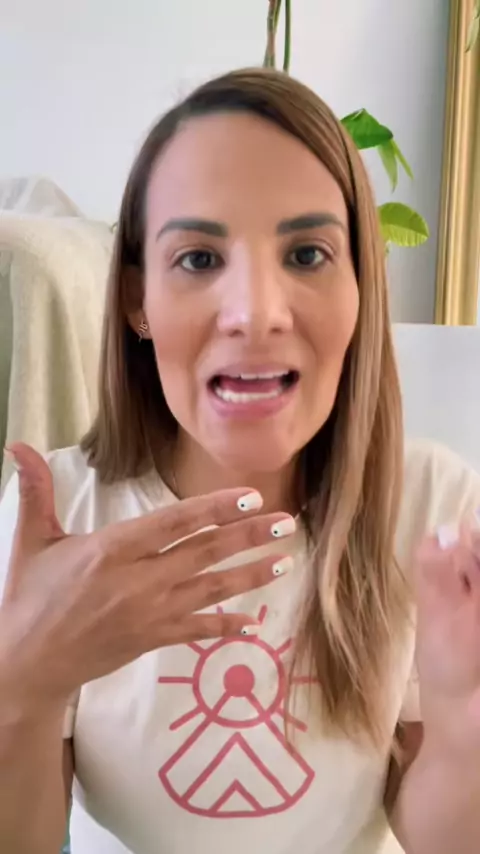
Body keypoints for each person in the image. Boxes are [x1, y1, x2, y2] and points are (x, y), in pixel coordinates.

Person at [1, 67, 480, 854]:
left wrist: (462, 721)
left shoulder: (433, 510)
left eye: (307, 254)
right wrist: (21, 684)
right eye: (197, 259)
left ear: (362, 287)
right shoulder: (59, 521)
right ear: (137, 300)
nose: (255, 313)